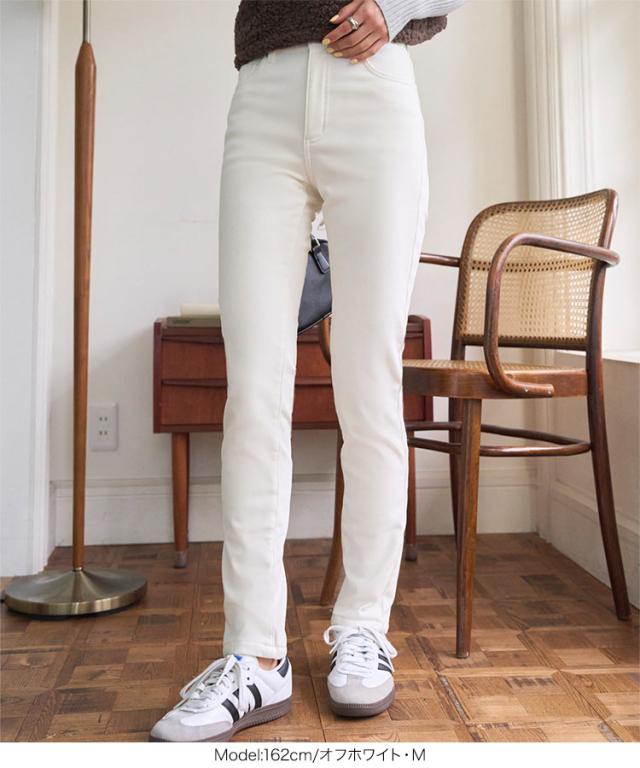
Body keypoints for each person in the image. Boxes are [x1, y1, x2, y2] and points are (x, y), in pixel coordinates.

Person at [151, 0, 466, 742]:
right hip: (263, 93)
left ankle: (363, 628)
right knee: (252, 391)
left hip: (375, 87)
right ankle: (254, 652)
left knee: (370, 384)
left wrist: (396, 7)